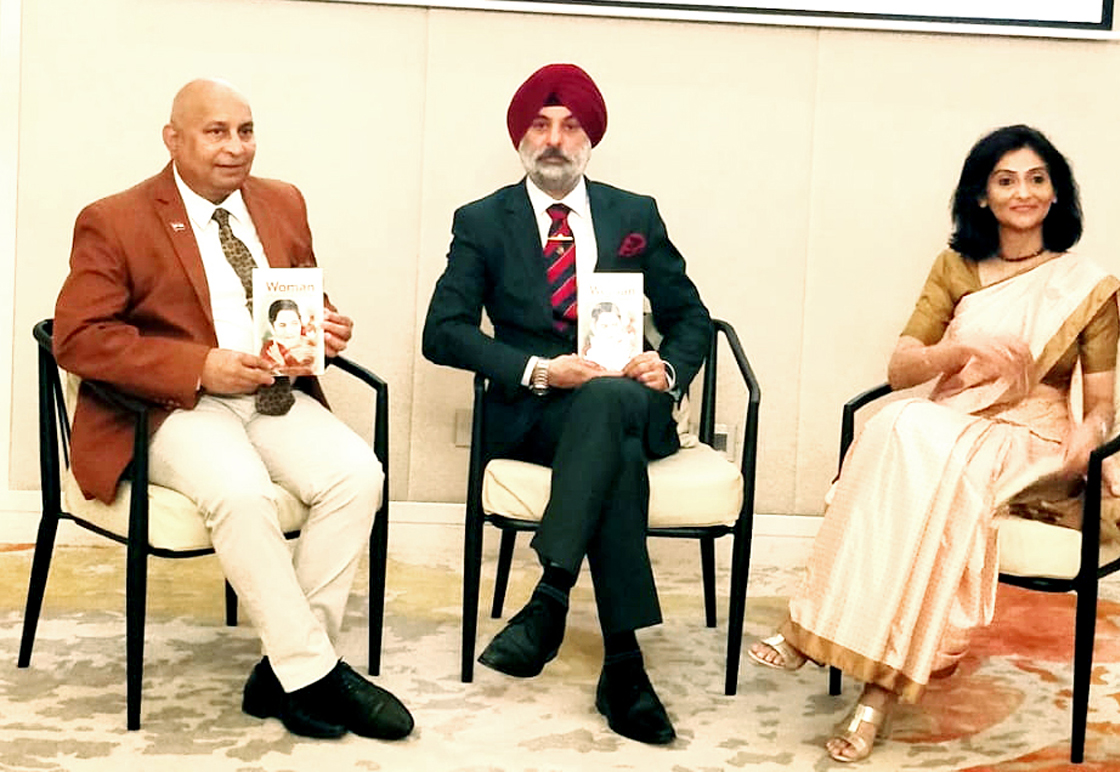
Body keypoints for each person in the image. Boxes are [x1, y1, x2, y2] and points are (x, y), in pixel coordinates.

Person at [747, 125, 1120, 762]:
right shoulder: (956, 267)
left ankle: (860, 683)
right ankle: (827, 637)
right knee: (897, 429)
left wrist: (1089, 442)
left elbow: (1098, 407)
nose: (1024, 192)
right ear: (981, 196)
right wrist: (964, 348)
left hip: (1027, 435)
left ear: (1058, 193)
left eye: (1039, 179)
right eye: (1006, 180)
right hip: (954, 421)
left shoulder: (1085, 287)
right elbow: (903, 369)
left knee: (916, 448)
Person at [53, 78, 413, 741]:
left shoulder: (282, 202)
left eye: (245, 131)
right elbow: (78, 339)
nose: (235, 147)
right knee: (242, 492)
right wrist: (197, 365)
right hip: (168, 407)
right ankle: (315, 673)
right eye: (216, 131)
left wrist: (324, 325)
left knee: (358, 475)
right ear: (174, 138)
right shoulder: (115, 218)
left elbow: (300, 294)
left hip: (270, 391)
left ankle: (285, 674)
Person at [422, 63, 712, 744]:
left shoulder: (632, 214)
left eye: (570, 126)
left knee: (612, 401)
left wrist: (666, 366)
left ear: (590, 140)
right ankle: (625, 667)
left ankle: (550, 597)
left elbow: (690, 316)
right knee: (614, 456)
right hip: (540, 413)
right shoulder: (482, 222)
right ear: (521, 137)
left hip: (634, 400)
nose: (554, 139)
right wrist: (541, 370)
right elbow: (444, 332)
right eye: (540, 125)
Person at [260, 298, 319, 375]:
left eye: (294, 324)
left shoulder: (311, 346)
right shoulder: (270, 350)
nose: (289, 331)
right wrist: (282, 363)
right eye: (282, 325)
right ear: (272, 327)